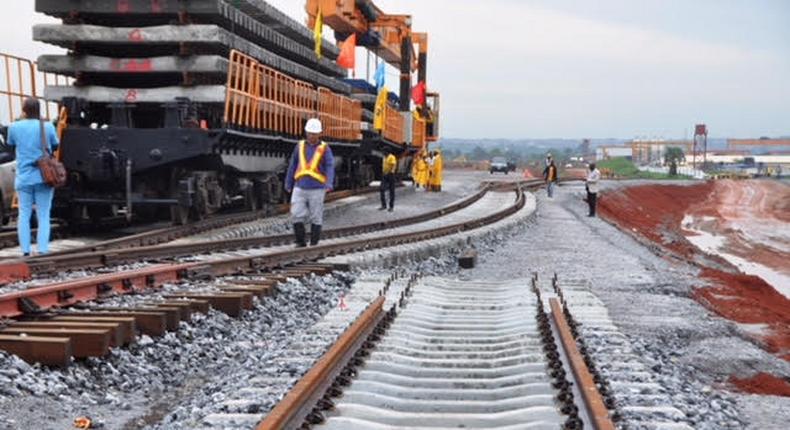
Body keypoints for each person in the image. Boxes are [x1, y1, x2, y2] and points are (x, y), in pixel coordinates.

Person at [7, 98, 59, 256]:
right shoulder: (48, 126)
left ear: (24, 110)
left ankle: (25, 250)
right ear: (39, 110)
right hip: (45, 177)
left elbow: (11, 146)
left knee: (23, 214)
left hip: (23, 177)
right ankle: (42, 249)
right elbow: (55, 146)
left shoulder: (14, 127)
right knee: (43, 214)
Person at [285, 118, 334, 247]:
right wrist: (288, 183)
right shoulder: (299, 146)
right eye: (310, 133)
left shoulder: (325, 148)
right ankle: (300, 242)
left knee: (316, 216)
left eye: (314, 133)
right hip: (300, 186)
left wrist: (329, 184)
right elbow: (293, 165)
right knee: (296, 214)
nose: (312, 136)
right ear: (306, 132)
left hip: (317, 188)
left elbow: (329, 166)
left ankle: (313, 244)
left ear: (319, 134)